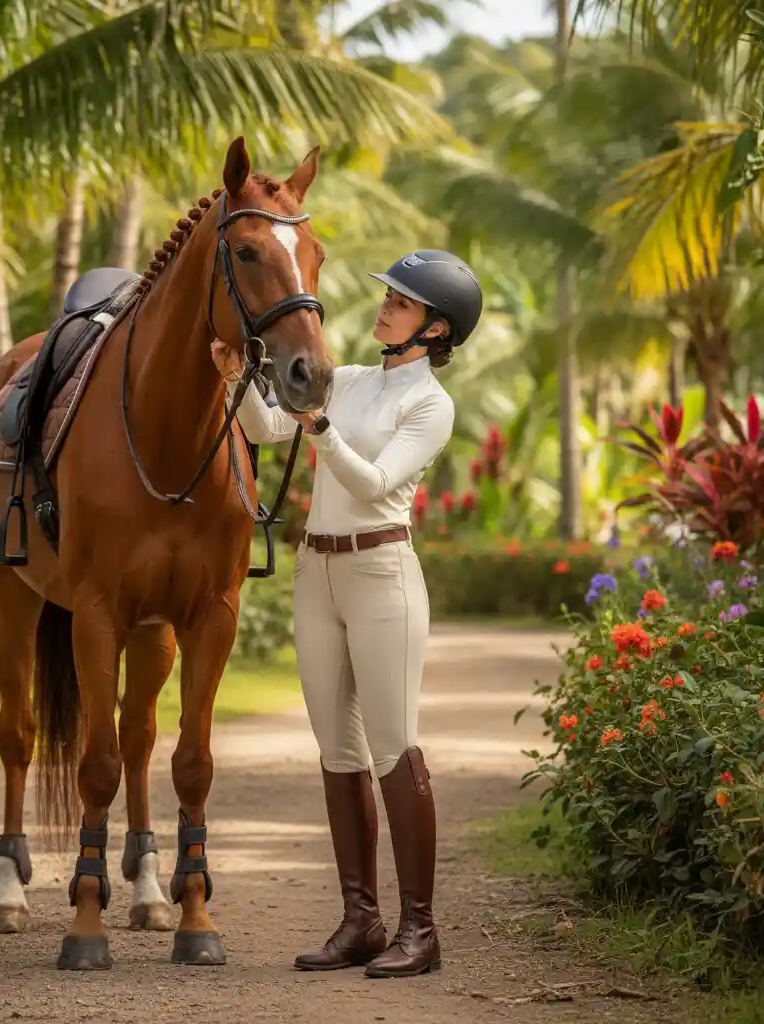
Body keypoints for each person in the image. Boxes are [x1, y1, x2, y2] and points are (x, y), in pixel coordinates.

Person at [211, 250, 483, 979]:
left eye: (403, 300)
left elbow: (374, 484)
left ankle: (419, 930)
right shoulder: (357, 380)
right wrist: (235, 380)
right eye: (389, 296)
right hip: (316, 572)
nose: (386, 306)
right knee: (337, 750)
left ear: (435, 328)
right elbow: (272, 429)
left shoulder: (429, 404)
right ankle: (361, 920)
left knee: (395, 747)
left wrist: (322, 427)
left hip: (380, 573)